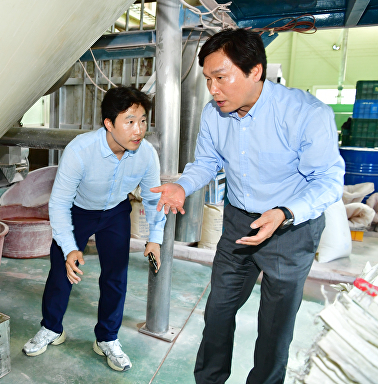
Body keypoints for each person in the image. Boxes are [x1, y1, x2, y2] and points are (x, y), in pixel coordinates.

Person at [152, 28, 344, 383]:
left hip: (291, 229)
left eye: (221, 78)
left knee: (274, 327)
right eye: (208, 79)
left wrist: (285, 213)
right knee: (218, 313)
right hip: (240, 223)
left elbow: (328, 181)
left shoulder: (305, 113)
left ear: (254, 70)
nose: (213, 89)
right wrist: (182, 186)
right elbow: (207, 162)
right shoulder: (215, 114)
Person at [23, 86, 166, 372]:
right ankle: (52, 328)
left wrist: (155, 238)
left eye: (142, 121)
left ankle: (107, 339)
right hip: (78, 211)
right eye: (129, 121)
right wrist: (70, 248)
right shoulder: (81, 149)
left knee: (115, 276)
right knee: (62, 270)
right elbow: (60, 202)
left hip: (115, 213)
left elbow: (153, 197)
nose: (138, 130)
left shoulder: (146, 153)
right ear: (109, 124)